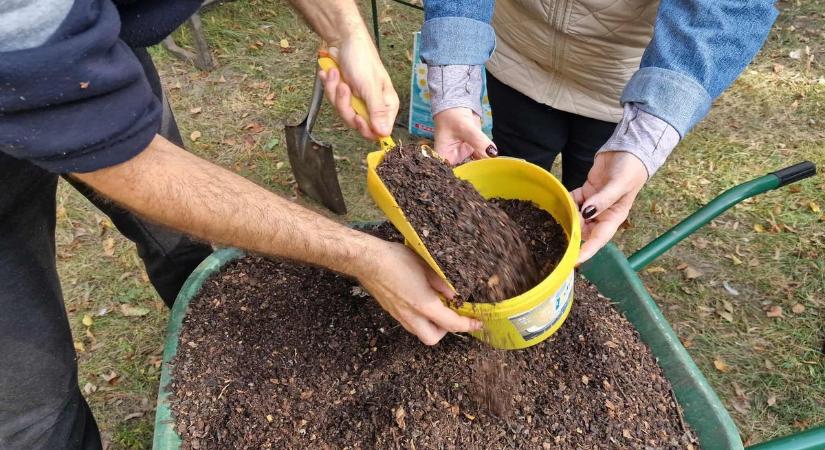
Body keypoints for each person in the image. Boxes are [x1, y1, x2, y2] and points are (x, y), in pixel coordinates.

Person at [0, 1, 480, 448]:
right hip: (27, 59)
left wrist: (344, 32)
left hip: (90, 46)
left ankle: (212, 337)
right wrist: (362, 255)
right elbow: (126, 159)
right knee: (33, 408)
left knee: (185, 246)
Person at [352, 0, 776, 263]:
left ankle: (567, 269)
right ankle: (500, 259)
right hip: (517, 55)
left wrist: (642, 139)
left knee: (587, 193)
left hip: (618, 79)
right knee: (512, 167)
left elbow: (727, 10)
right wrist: (455, 88)